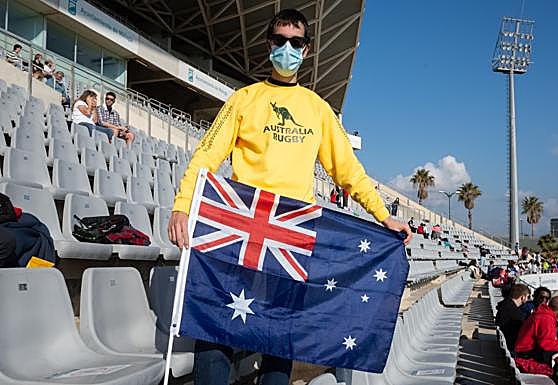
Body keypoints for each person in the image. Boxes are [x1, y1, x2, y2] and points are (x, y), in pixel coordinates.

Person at [167, 9, 412, 385]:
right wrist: (182, 206)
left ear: (307, 49)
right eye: (280, 41)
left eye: (295, 43)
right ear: (269, 44)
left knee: (279, 337)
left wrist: (384, 216)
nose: (287, 49)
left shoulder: (317, 109)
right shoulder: (243, 100)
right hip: (239, 228)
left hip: (292, 235)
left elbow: (347, 172)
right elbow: (205, 156)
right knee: (217, 327)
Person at [495, 283, 530, 350]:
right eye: (528, 297)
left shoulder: (505, 305)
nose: (528, 299)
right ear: (523, 297)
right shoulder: (516, 313)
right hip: (512, 346)